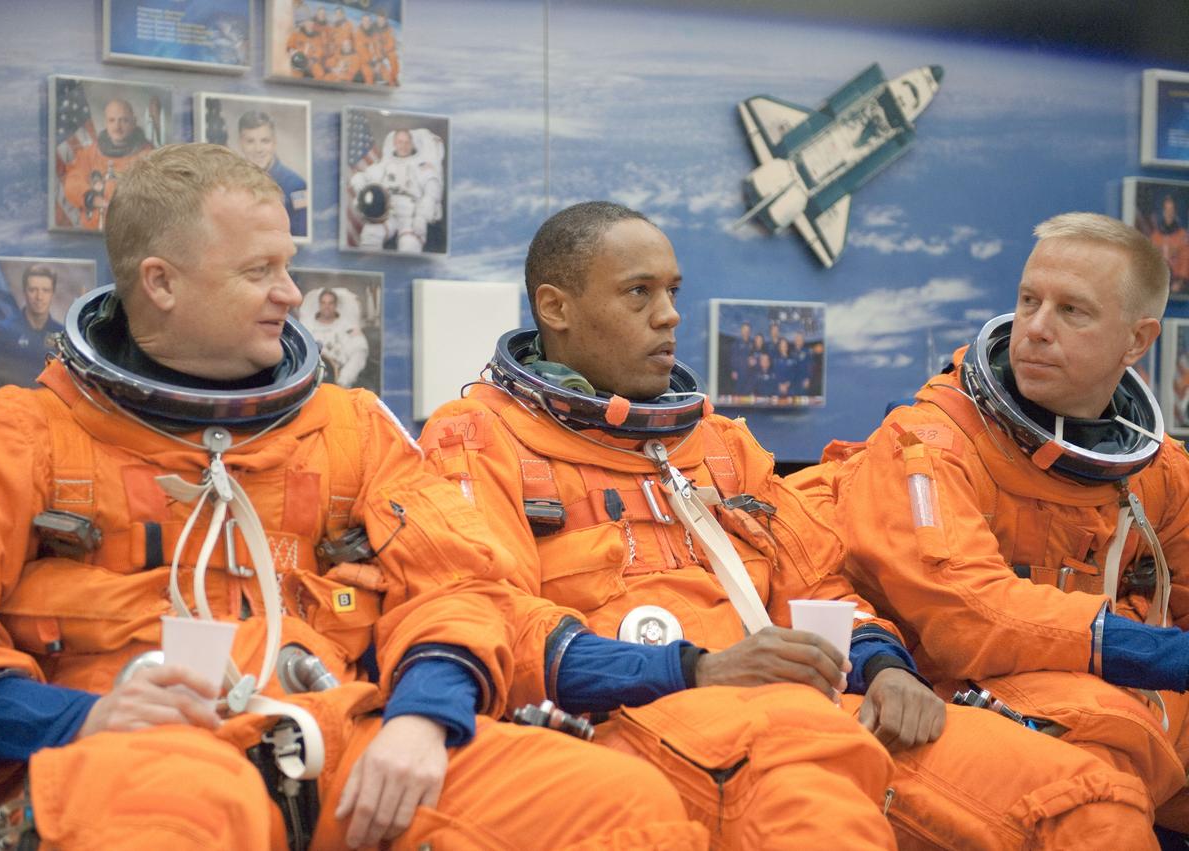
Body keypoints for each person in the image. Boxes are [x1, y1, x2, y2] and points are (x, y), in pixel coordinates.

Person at [0, 147, 707, 850]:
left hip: (334, 741)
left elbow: (458, 584)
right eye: (259, 271)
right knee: (170, 815)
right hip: (136, 752)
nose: (292, 293)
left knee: (614, 803)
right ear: (161, 284)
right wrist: (72, 721)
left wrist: (426, 718)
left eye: (288, 265)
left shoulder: (350, 427)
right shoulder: (24, 436)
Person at [420, 201, 1156, 849]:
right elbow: (491, 625)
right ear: (556, 307)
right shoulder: (478, 440)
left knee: (1088, 799)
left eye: (673, 291)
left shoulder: (719, 444)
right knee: (818, 812)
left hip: (808, 712)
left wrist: (887, 668)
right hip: (643, 717)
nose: (670, 314)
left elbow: (820, 580)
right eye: (639, 293)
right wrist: (696, 668)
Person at [789, 212, 1189, 839]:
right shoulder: (930, 445)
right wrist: (1151, 650)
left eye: (1072, 312)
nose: (1035, 329)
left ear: (1136, 341)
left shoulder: (1157, 472)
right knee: (1097, 804)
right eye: (1029, 300)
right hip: (941, 696)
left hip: (1104, 693)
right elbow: (968, 615)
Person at [62, 98, 153, 231]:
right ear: (106, 123)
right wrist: (95, 200)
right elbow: (72, 182)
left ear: (133, 122)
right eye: (112, 120)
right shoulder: (90, 153)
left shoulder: (149, 156)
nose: (117, 127)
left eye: (124, 120)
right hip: (91, 233)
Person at [0, 264, 65, 395]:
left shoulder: (64, 336)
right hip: (13, 411)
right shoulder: (2, 334)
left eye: (45, 290)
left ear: (52, 293)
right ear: (24, 292)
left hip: (50, 411)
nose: (39, 297)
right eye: (33, 290)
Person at [349, 129, 443, 254]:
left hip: (412, 214)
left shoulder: (421, 164)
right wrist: (361, 191)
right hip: (388, 212)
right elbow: (361, 177)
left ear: (412, 143)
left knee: (409, 245)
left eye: (406, 142)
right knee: (370, 236)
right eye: (400, 142)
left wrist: (421, 217)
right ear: (394, 143)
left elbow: (433, 191)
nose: (403, 146)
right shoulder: (385, 164)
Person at [237, 111, 308, 239]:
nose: (258, 149)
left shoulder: (296, 185)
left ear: (274, 143)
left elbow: (300, 235)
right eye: (250, 141)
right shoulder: (231, 183)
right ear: (241, 143)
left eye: (265, 141)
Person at [303, 286, 369, 388]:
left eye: (330, 303)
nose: (327, 306)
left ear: (336, 305)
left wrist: (343, 380)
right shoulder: (306, 326)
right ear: (319, 304)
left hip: (339, 382)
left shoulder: (347, 327)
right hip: (309, 382)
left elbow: (360, 352)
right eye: (323, 303)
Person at [1148, 194, 1189, 296]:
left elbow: (1185, 259)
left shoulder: (1183, 236)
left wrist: (1180, 282)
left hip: (1177, 284)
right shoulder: (1154, 237)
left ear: (1175, 212)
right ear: (1162, 212)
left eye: (1171, 210)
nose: (1169, 213)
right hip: (1157, 285)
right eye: (1167, 210)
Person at [374, 9, 399, 86]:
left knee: (394, 58)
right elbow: (375, 45)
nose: (380, 21)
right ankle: (385, 79)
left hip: (387, 51)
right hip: (378, 52)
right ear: (377, 19)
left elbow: (391, 44)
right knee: (376, 61)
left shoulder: (389, 29)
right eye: (379, 19)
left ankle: (393, 80)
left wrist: (382, 56)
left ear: (385, 20)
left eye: (382, 19)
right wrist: (379, 59)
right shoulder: (373, 29)